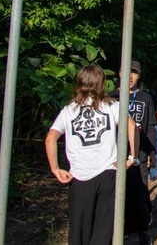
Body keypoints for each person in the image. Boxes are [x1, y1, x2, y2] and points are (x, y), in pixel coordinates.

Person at [45, 64, 139, 245]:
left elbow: (51, 138)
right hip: (108, 173)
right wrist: (131, 157)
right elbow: (132, 126)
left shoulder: (68, 111)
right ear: (101, 83)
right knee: (104, 228)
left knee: (79, 231)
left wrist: (55, 169)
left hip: (79, 176)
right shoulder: (111, 106)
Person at [110, 58, 157, 244]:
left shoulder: (146, 98)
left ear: (139, 75)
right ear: (119, 73)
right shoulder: (110, 97)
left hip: (140, 154)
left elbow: (151, 126)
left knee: (139, 193)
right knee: (118, 193)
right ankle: (123, 228)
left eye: (134, 72)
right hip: (115, 155)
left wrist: (152, 152)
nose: (130, 76)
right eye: (126, 71)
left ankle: (143, 231)